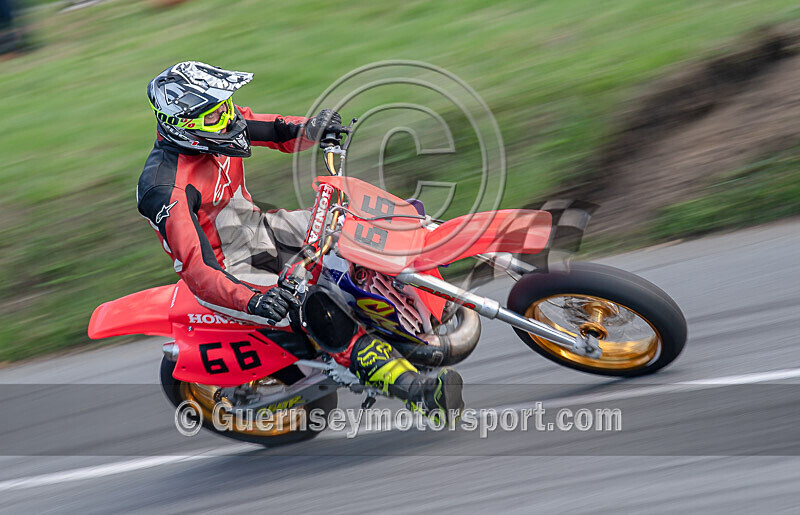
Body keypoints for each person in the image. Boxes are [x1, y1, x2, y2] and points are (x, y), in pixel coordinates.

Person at [138, 61, 463, 421]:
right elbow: (199, 269)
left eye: (225, 106)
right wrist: (255, 300)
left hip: (260, 230)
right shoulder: (165, 189)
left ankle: (427, 282)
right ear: (183, 126)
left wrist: (314, 128)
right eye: (216, 115)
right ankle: (418, 393)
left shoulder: (217, 126)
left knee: (358, 220)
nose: (229, 118)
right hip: (231, 271)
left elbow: (275, 130)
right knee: (318, 307)